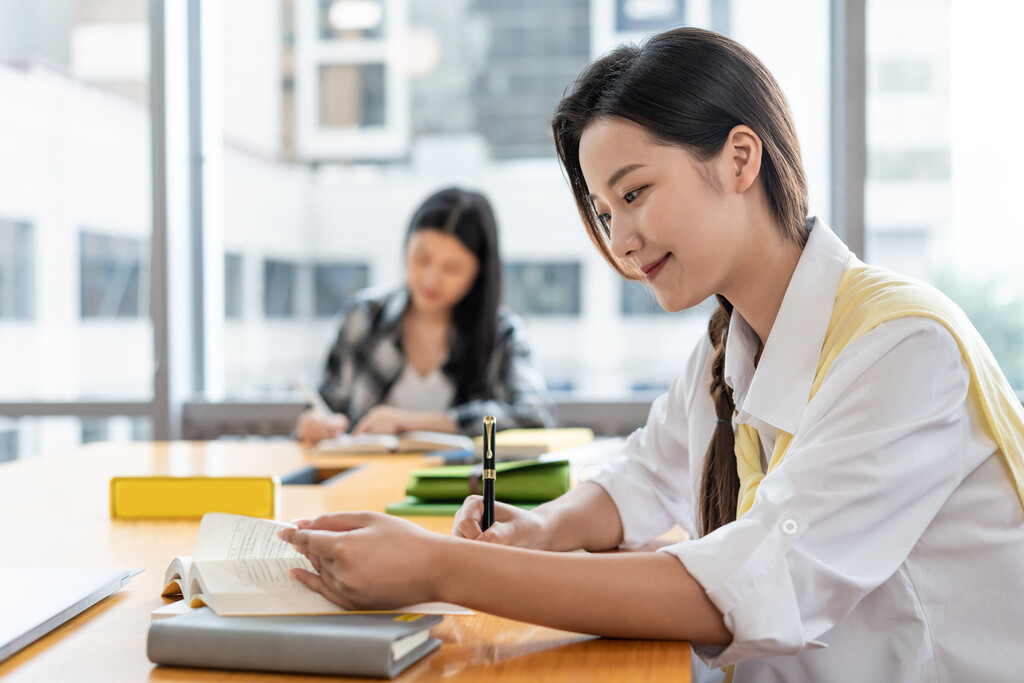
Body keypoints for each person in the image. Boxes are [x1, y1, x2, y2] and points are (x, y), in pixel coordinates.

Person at [280, 28, 1024, 682]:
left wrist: (444, 566)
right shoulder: (728, 343)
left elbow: (748, 587)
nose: (620, 240)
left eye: (634, 194)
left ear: (740, 158)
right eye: (604, 213)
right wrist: (540, 530)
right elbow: (643, 474)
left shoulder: (903, 347)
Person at [295, 187, 553, 441]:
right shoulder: (363, 318)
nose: (431, 279)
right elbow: (324, 409)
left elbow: (534, 416)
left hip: (463, 481)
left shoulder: (502, 332)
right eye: (421, 258)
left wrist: (409, 423)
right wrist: (314, 427)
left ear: (479, 273)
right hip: (365, 479)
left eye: (452, 268)